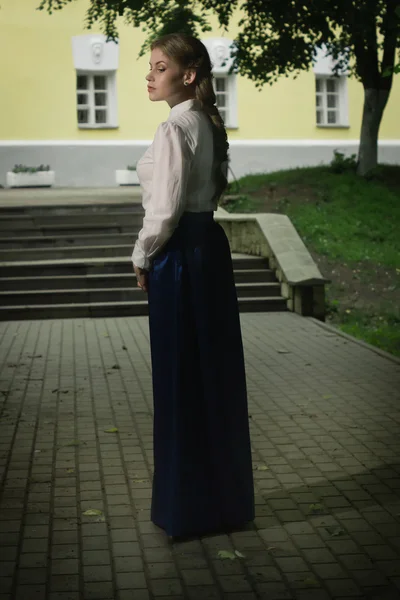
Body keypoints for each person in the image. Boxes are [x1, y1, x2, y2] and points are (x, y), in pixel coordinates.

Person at [131, 32, 254, 539]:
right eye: (150, 67)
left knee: (181, 378)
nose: (149, 75)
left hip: (179, 255)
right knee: (214, 376)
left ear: (187, 75)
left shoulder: (174, 129)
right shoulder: (206, 123)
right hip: (210, 251)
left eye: (160, 67)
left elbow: (165, 208)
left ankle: (187, 510)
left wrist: (142, 255)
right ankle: (224, 504)